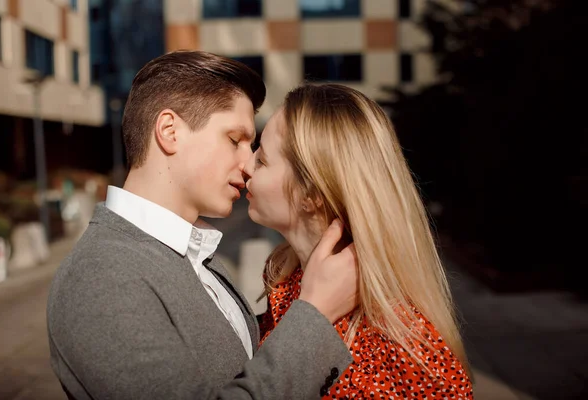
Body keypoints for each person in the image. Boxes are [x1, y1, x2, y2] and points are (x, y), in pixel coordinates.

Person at [47, 51, 358, 400]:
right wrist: (315, 312)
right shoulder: (100, 276)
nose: (249, 163)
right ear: (170, 131)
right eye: (234, 140)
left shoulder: (191, 252)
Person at [244, 83, 474, 398]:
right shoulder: (286, 279)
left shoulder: (393, 339)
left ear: (310, 195)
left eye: (262, 160)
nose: (245, 166)